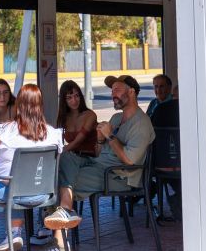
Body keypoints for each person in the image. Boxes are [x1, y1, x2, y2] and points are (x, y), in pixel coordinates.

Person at [45, 75, 155, 239]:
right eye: (112, 91)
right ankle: (65, 212)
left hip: (119, 177)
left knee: (59, 181)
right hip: (98, 166)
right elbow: (98, 152)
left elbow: (130, 161)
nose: (113, 94)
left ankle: (60, 237)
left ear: (131, 92)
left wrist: (110, 137)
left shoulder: (142, 123)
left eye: (117, 90)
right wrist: (100, 139)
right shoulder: (117, 118)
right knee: (65, 159)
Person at [0, 83, 63, 251]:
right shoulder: (53, 133)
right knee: (15, 185)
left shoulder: (5, 130)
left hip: (5, 192)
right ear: (40, 105)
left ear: (18, 105)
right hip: (43, 195)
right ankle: (15, 233)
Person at [150, 83, 181, 222]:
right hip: (185, 165)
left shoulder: (160, 109)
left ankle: (179, 199)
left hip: (161, 165)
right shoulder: (194, 110)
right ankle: (181, 199)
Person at [56, 79, 98, 157]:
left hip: (91, 158)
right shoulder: (63, 117)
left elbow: (77, 142)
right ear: (64, 100)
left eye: (76, 96)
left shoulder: (90, 115)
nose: (74, 100)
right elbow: (58, 141)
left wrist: (59, 152)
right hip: (73, 157)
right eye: (69, 98)